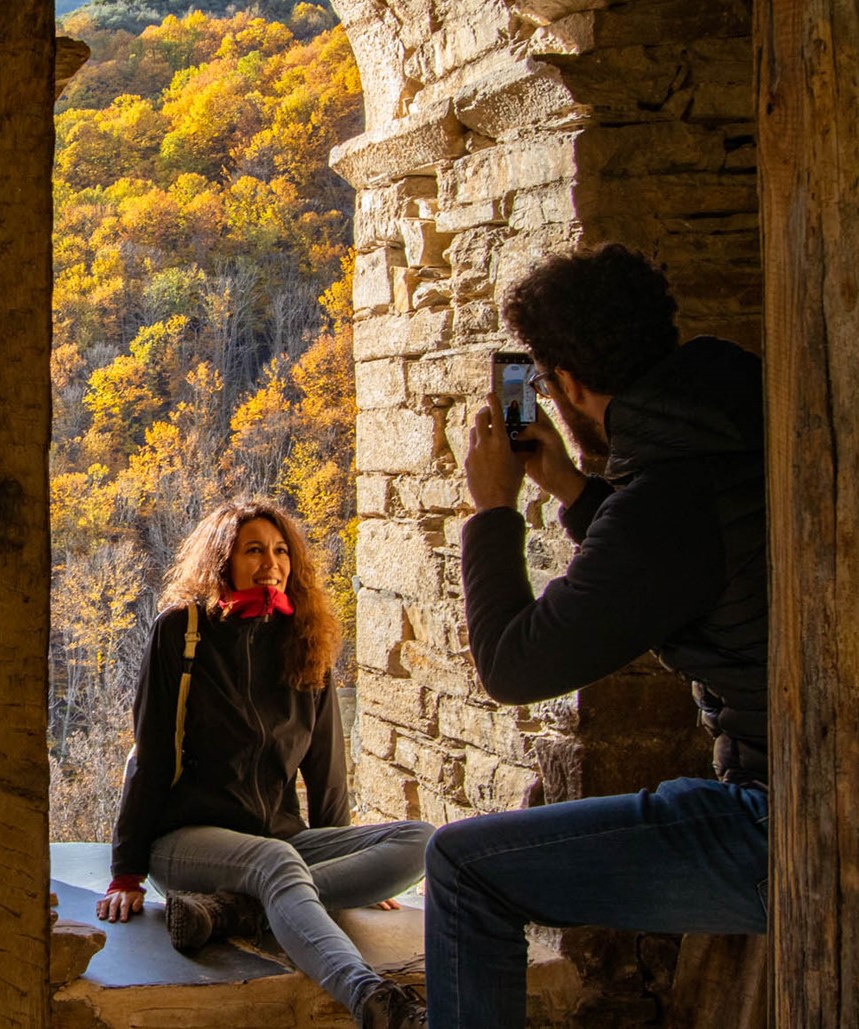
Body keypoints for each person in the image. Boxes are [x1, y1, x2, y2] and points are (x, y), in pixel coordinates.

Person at [422, 244, 769, 1027]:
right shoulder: (733, 424)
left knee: (465, 869)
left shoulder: (666, 502)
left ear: (569, 384)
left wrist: (494, 508)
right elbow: (679, 565)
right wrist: (575, 491)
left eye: (542, 383)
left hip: (777, 817)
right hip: (809, 778)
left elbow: (514, 663)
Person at [97, 498, 432, 1029]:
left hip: (280, 836)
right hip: (188, 838)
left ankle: (235, 911)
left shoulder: (306, 640)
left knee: (423, 840)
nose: (270, 562)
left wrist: (355, 874)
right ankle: (374, 1000)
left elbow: (325, 765)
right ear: (223, 559)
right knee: (277, 865)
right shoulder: (181, 633)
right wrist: (126, 873)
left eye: (280, 551)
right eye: (254, 550)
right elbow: (152, 756)